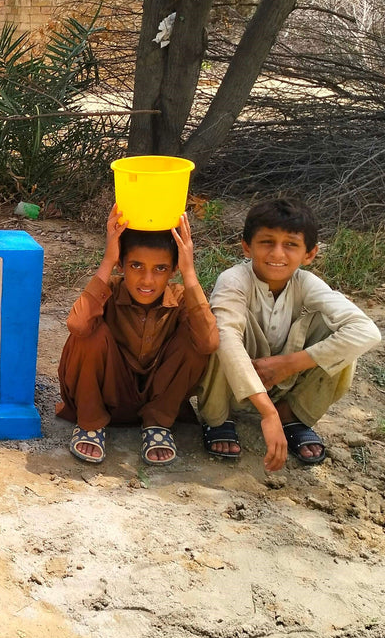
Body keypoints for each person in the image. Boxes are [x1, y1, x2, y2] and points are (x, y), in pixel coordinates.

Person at [195, 197, 380, 470]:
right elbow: (228, 341)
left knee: (343, 339)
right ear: (247, 246)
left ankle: (290, 415)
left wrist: (290, 364)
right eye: (267, 242)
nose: (277, 254)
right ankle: (219, 419)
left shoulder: (306, 283)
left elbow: (368, 332)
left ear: (310, 254)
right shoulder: (234, 279)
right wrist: (265, 413)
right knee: (219, 332)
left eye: (291, 245)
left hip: (283, 384)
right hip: (233, 387)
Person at [56, 205, 217, 465]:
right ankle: (91, 422)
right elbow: (76, 325)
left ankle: (157, 425)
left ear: (174, 269)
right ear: (122, 264)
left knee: (195, 341)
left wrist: (190, 274)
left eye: (161, 269)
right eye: (136, 265)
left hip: (158, 398)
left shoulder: (180, 298)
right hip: (109, 394)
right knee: (88, 334)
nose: (147, 280)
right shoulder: (107, 292)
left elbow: (209, 342)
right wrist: (107, 260)